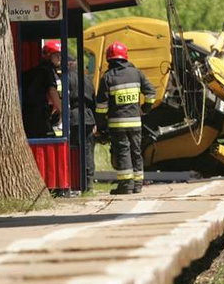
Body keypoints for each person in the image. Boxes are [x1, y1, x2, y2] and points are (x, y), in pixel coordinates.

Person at [95, 41, 156, 195]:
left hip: (117, 124)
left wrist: (101, 126)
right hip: (135, 122)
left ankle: (126, 185)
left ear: (109, 59)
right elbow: (151, 93)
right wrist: (144, 109)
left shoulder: (107, 78)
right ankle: (137, 184)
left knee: (123, 152)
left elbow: (101, 107)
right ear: (125, 57)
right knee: (136, 151)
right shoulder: (136, 73)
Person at [22, 40, 63, 138]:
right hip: (38, 116)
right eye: (56, 55)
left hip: (30, 114)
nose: (59, 58)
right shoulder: (47, 71)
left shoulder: (37, 71)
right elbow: (52, 91)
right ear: (48, 55)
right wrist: (62, 110)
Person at [67, 53, 97, 190]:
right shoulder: (87, 79)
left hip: (74, 117)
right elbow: (94, 101)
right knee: (88, 151)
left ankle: (75, 182)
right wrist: (95, 121)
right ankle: (89, 182)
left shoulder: (67, 77)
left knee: (74, 150)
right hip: (89, 117)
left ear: (68, 64)